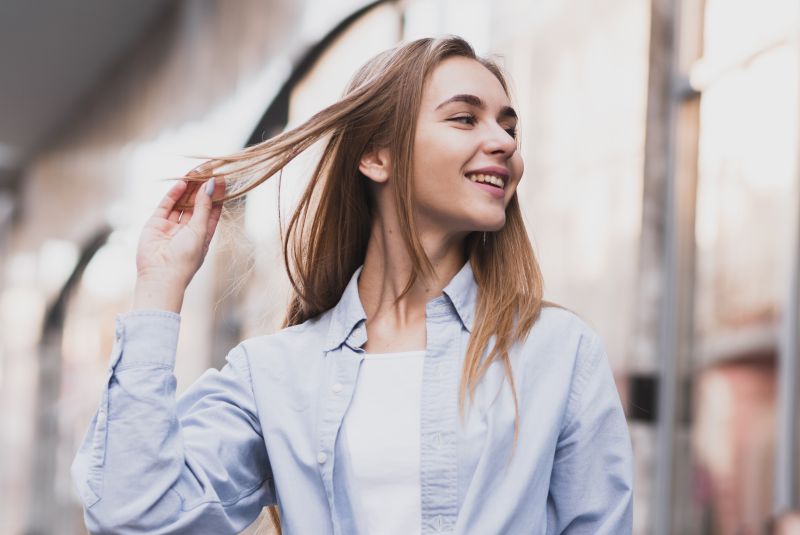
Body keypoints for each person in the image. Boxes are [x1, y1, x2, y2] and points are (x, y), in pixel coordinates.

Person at [71, 35, 633, 534]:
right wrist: (158, 289)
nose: (505, 142)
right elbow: (134, 516)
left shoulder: (558, 352)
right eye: (465, 118)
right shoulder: (275, 375)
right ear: (375, 155)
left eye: (508, 126)